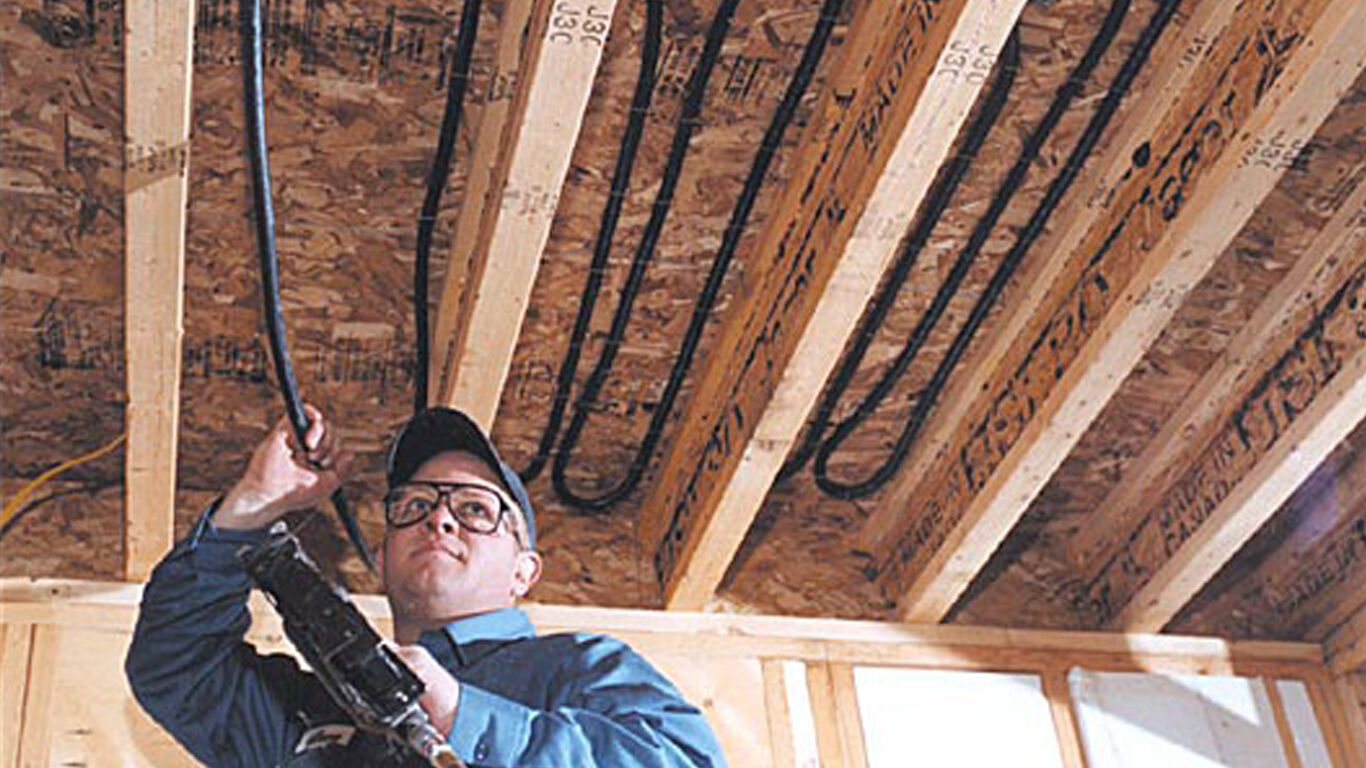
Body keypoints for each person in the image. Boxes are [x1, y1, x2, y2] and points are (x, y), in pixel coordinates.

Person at [126, 405, 727, 767]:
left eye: (475, 509)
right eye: (414, 505)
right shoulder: (309, 711)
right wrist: (253, 508)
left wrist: (462, 716)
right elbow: (175, 667)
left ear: (524, 571)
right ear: (383, 561)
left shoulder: (579, 670)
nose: (439, 518)